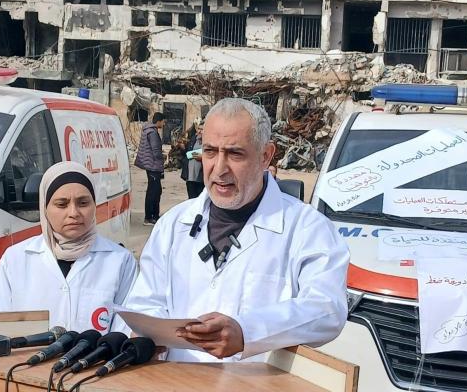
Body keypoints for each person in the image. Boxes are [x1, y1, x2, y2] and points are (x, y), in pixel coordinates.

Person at [124, 98, 349, 362]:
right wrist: (148, 335)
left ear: (266, 156)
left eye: (235, 154)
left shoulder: (308, 229)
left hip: (258, 380)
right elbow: (145, 302)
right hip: (176, 378)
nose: (219, 169)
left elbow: (327, 310)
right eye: (210, 152)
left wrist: (247, 331)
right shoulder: (173, 224)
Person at [0, 161, 137, 332]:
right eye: (61, 204)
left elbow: (125, 329)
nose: (73, 213)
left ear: (94, 205)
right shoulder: (16, 259)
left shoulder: (120, 260)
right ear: (45, 208)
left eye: (83, 203)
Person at [134, 112, 165, 225]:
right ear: (159, 121)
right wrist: (162, 157)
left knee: (156, 190)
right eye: (163, 122)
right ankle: (150, 217)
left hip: (150, 165)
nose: (164, 124)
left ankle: (154, 215)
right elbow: (156, 150)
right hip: (153, 166)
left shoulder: (148, 130)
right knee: (154, 192)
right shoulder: (152, 133)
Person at [180, 121, 205, 199]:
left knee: (200, 200)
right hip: (190, 177)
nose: (199, 131)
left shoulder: (209, 142)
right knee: (191, 199)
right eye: (199, 129)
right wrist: (183, 148)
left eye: (202, 129)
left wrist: (203, 157)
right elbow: (187, 153)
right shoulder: (194, 139)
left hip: (201, 178)